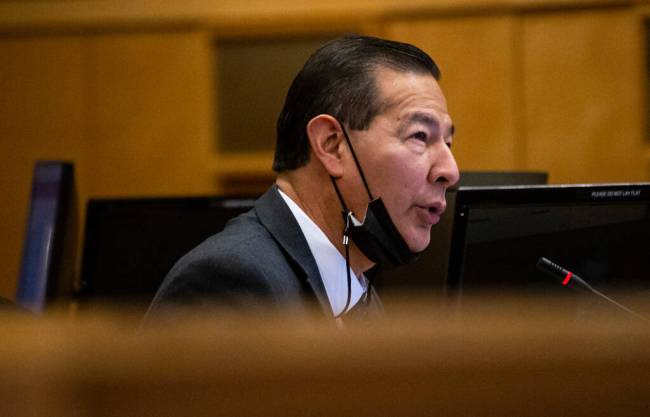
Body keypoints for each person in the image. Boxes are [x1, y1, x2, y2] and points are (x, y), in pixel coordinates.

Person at [146, 35, 459, 321]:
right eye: (420, 136)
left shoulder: (356, 285)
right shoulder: (231, 284)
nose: (450, 170)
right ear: (331, 145)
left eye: (447, 142)